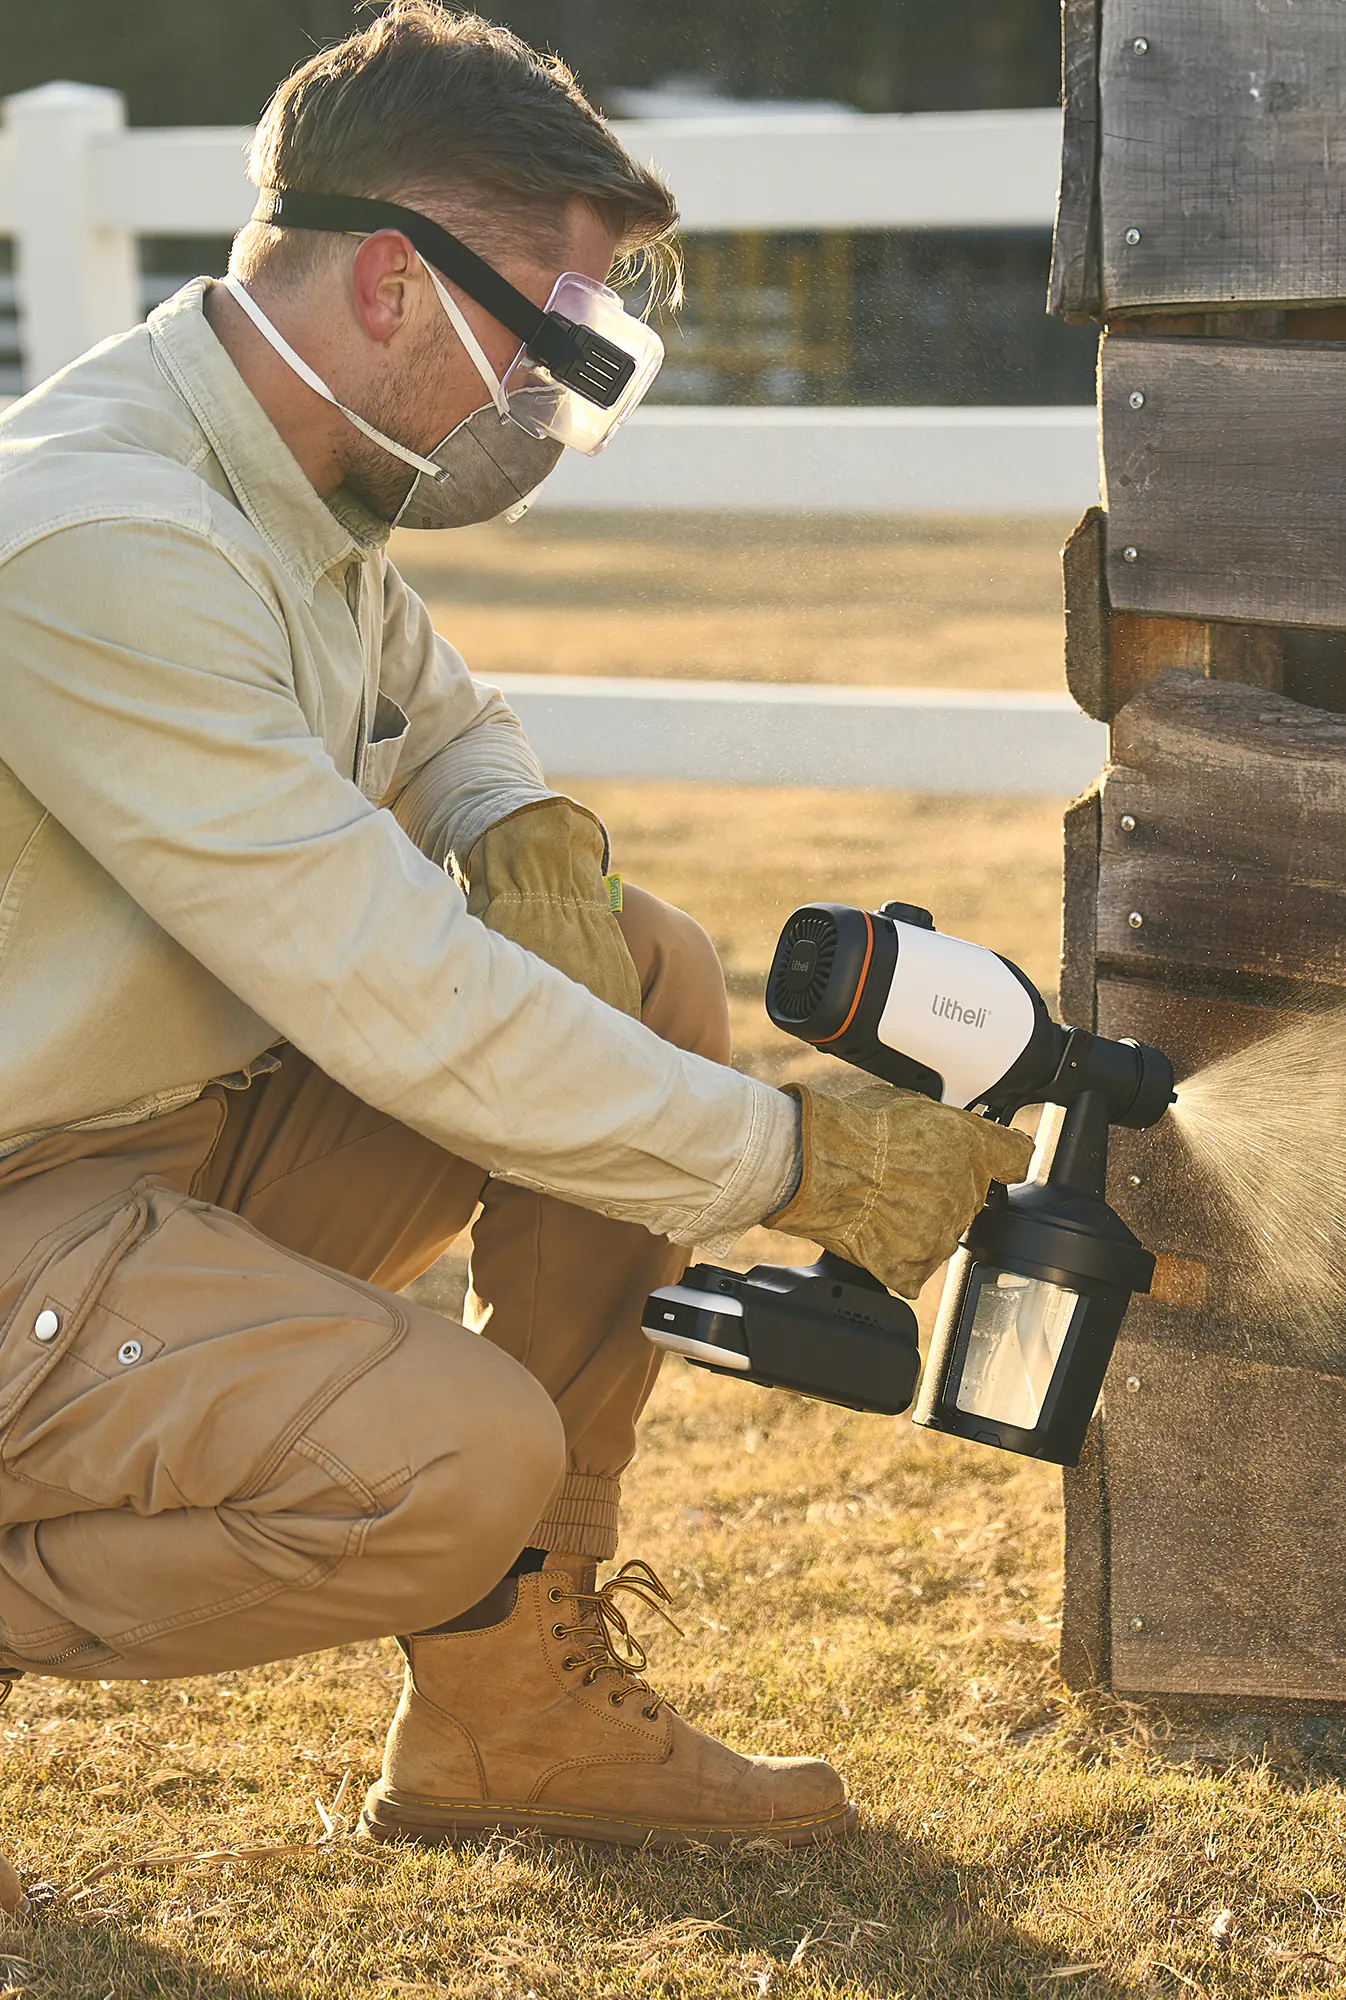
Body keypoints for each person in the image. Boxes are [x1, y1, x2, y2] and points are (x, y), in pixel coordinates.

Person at [0, 2, 1031, 1853]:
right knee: (465, 1456)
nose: (567, 390)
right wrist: (797, 1160)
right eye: (553, 330)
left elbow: (458, 733)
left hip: (144, 1142)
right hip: (22, 1194)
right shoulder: (103, 541)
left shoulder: (295, 487)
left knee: (640, 969)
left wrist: (527, 846)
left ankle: (512, 1721)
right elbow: (389, 992)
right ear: (393, 285)